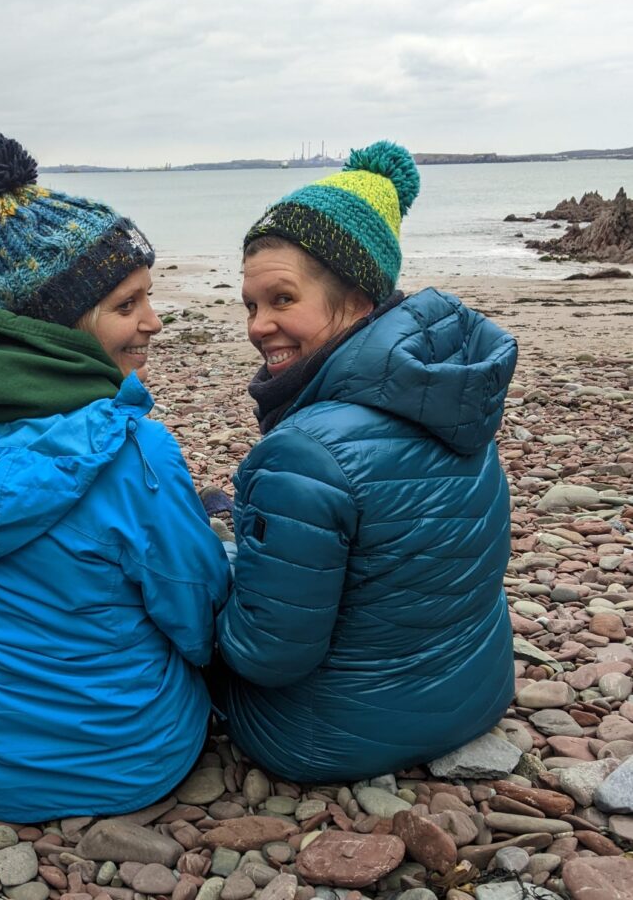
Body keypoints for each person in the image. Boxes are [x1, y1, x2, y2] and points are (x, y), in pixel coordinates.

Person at [0, 132, 230, 822]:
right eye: (127, 304)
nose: (154, 323)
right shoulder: (134, 450)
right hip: (125, 763)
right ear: (60, 322)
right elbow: (199, 624)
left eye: (149, 297)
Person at [217, 141, 518, 782]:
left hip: (326, 736)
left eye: (282, 299)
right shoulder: (453, 399)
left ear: (357, 300)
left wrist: (207, 593)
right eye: (250, 304)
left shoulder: (304, 452)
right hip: (476, 695)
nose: (258, 325)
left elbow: (268, 655)